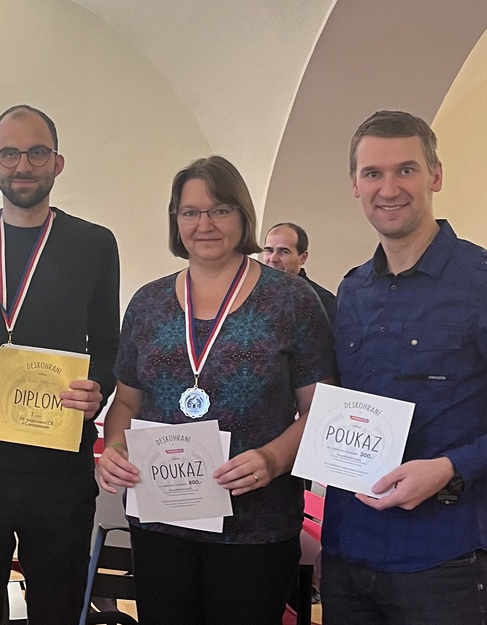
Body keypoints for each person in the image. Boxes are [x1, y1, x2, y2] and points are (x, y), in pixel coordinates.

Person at [97, 155, 336, 625]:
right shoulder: (147, 303)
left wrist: (272, 459)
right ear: (176, 220)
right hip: (161, 517)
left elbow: (322, 409)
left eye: (220, 210)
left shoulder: (291, 300)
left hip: (256, 524)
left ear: (243, 216)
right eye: (190, 212)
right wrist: (116, 449)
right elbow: (126, 399)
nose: (204, 224)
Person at [0, 104, 120, 625]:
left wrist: (97, 387)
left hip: (59, 471)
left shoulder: (94, 244)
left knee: (57, 610)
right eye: (9, 154)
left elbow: (109, 345)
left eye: (37, 153)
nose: (23, 165)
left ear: (58, 163)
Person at [320, 110, 487, 625]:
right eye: (373, 173)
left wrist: (450, 467)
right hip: (348, 552)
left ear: (435, 175)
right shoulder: (351, 290)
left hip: (444, 557)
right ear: (355, 184)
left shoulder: (480, 281)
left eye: (406, 170)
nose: (388, 189)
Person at [262, 222, 337, 322]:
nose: (273, 259)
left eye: (284, 251)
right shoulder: (252, 293)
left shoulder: (322, 301)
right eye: (269, 250)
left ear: (303, 258)